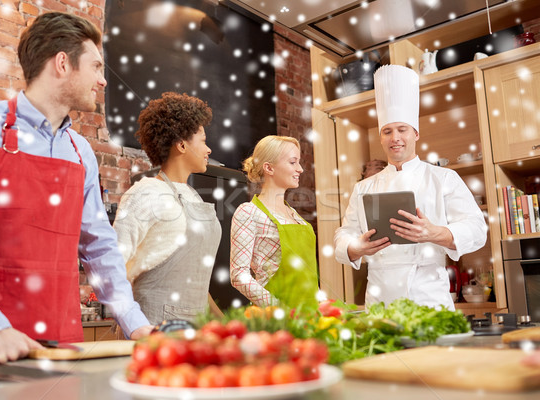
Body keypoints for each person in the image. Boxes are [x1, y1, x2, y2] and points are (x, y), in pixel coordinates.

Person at [0, 12, 151, 365]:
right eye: (97, 67)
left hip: (60, 344)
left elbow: (99, 245)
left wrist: (135, 324)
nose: (103, 81)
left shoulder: (80, 150)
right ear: (62, 64)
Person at [333, 65, 487, 310]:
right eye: (387, 131)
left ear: (415, 133)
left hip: (427, 294)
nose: (395, 138)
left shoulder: (444, 178)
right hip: (380, 297)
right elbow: (344, 234)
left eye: (402, 130)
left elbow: (477, 229)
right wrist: (355, 247)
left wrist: (434, 232)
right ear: (381, 137)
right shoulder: (364, 187)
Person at [113, 92, 223, 325]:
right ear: (182, 145)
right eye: (203, 140)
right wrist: (134, 325)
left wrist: (224, 322)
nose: (209, 149)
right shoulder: (146, 193)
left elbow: (196, 282)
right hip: (154, 326)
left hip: (197, 328)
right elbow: (114, 268)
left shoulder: (192, 196)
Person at [230, 135, 319, 309]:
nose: (300, 169)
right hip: (275, 319)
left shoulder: (294, 214)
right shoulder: (248, 212)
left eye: (299, 162)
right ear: (269, 168)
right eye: (293, 162)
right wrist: (278, 309)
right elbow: (238, 275)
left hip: (309, 315)